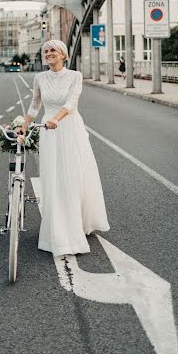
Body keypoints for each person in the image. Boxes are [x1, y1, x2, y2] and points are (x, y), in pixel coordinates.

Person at [19, 40, 109, 256]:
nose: (48, 53)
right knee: (53, 176)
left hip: (68, 128)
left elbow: (71, 103)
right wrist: (22, 129)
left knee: (73, 174)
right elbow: (34, 105)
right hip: (49, 131)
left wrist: (56, 119)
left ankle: (77, 221)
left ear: (64, 55)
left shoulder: (75, 76)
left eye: (53, 50)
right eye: (46, 51)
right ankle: (57, 226)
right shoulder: (40, 78)